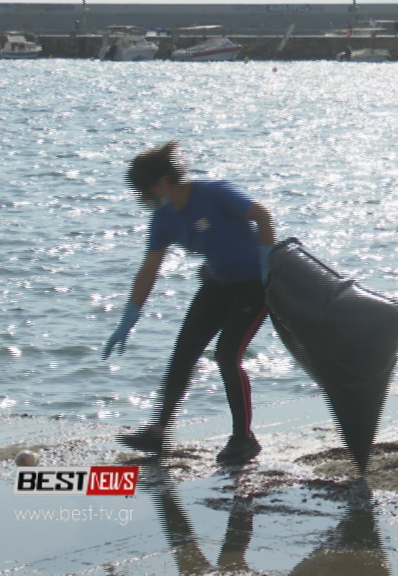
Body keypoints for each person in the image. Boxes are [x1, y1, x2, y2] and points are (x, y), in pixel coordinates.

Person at [103, 141, 276, 464]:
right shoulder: (163, 218)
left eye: (145, 190)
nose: (143, 198)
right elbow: (149, 269)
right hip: (219, 283)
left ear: (162, 182)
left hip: (256, 285)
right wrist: (128, 318)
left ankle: (244, 439)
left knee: (227, 355)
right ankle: (158, 433)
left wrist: (268, 265)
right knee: (183, 353)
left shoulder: (212, 193)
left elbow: (262, 216)